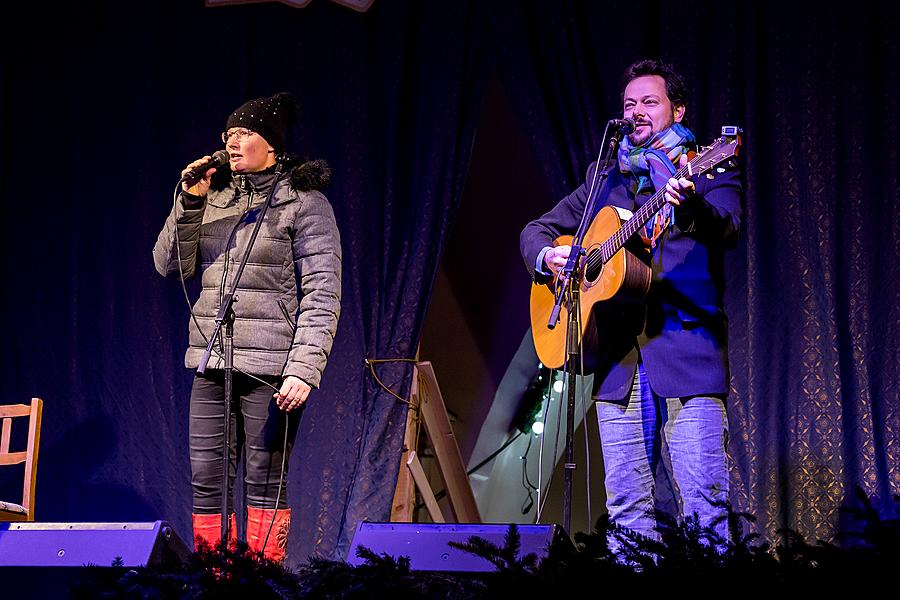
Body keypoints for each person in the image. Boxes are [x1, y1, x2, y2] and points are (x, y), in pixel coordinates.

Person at [520, 59, 742, 542]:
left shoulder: (707, 167)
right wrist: (547, 258)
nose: (637, 111)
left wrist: (692, 205)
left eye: (649, 101)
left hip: (687, 352)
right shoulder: (605, 180)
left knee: (704, 500)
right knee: (625, 507)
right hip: (617, 364)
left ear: (677, 111)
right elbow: (535, 229)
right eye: (629, 104)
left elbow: (727, 226)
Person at [153, 92, 341, 562]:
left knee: (263, 478)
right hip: (211, 360)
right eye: (228, 135)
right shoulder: (213, 198)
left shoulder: (305, 203)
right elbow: (168, 266)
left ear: (272, 143)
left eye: (244, 134)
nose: (232, 143)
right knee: (207, 481)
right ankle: (214, 583)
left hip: (271, 367)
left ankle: (262, 586)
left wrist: (303, 369)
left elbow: (323, 291)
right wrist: (189, 204)